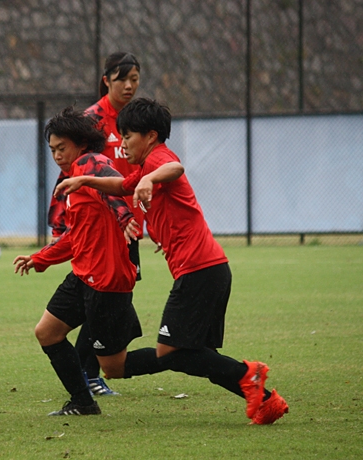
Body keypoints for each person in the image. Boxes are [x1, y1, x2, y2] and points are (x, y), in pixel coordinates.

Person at [54, 98, 289, 424]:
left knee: (171, 352)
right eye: (120, 136)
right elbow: (121, 186)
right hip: (207, 269)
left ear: (150, 136)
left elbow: (175, 168)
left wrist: (150, 180)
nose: (122, 143)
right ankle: (263, 399)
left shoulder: (159, 159)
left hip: (200, 271)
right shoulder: (143, 168)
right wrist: (84, 180)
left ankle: (247, 375)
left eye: (128, 136)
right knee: (190, 354)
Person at [14, 106, 141, 416]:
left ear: (82, 144)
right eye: (53, 150)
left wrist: (124, 216)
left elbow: (114, 179)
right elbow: (74, 237)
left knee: (113, 367)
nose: (57, 155)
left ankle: (184, 356)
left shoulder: (90, 163)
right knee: (47, 332)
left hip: (107, 282)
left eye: (62, 147)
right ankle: (83, 402)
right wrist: (39, 258)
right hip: (83, 277)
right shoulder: (73, 181)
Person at [47, 52, 144, 397]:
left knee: (107, 295)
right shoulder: (91, 123)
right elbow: (81, 175)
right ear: (107, 80)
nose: (130, 85)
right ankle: (89, 376)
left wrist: (136, 215)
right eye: (123, 79)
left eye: (135, 78)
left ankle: (91, 376)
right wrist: (60, 222)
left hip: (126, 222)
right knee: (101, 294)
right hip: (104, 221)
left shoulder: (136, 118)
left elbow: (141, 172)